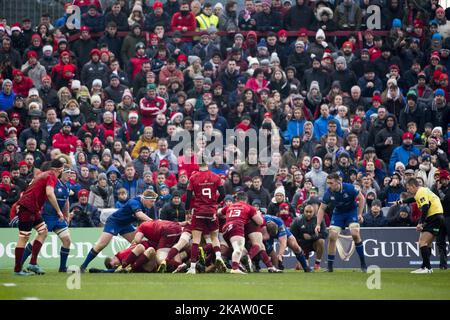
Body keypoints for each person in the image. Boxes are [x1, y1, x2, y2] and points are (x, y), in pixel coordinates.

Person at [80, 190, 157, 271]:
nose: (153, 204)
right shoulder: (134, 202)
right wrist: (154, 222)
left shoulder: (145, 206)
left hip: (126, 224)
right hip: (114, 222)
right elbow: (139, 214)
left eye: (154, 201)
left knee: (137, 244)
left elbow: (141, 223)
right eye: (151, 201)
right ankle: (83, 266)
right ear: (145, 199)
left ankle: (130, 266)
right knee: (101, 245)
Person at [12, 159, 65, 275]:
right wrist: (59, 211)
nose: (63, 171)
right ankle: (17, 269)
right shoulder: (52, 176)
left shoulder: (43, 174)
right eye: (63, 169)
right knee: (24, 237)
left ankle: (33, 264)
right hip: (27, 207)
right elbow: (50, 193)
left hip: (32, 208)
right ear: (58, 169)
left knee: (43, 231)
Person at [20, 166, 72, 272]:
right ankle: (20, 263)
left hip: (58, 218)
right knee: (37, 240)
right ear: (62, 173)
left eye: (71, 173)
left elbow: (66, 201)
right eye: (67, 172)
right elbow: (46, 195)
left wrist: (66, 215)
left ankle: (62, 268)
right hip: (47, 216)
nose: (70, 175)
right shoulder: (52, 182)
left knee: (67, 240)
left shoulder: (67, 186)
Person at [315, 173, 367, 272]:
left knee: (355, 234)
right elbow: (322, 208)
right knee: (332, 236)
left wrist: (360, 214)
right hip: (338, 213)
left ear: (338, 182)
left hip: (351, 212)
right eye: (328, 183)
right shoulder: (328, 193)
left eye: (331, 183)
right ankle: (330, 267)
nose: (329, 185)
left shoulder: (350, 188)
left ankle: (363, 264)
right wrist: (317, 224)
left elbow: (362, 198)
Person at [393, 178, 444, 273]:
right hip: (437, 217)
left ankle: (427, 268)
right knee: (426, 244)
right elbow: (413, 199)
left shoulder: (421, 192)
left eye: (408, 188)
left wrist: (420, 223)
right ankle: (425, 266)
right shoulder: (422, 191)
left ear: (413, 186)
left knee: (422, 243)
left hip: (434, 217)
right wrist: (400, 202)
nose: (408, 190)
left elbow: (425, 207)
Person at [184, 160, 227, 274]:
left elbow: (188, 197)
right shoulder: (216, 177)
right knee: (214, 237)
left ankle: (192, 267)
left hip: (198, 211)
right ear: (207, 163)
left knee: (196, 239)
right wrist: (215, 203)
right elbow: (223, 194)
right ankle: (218, 256)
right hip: (211, 211)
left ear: (198, 164)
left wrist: (187, 210)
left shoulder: (193, 178)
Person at [220, 191, 264, 274]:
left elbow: (219, 213)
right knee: (238, 249)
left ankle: (238, 264)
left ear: (236, 199)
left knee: (242, 251)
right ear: (246, 199)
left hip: (225, 229)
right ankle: (235, 268)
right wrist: (258, 214)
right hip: (237, 227)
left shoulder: (230, 206)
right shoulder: (249, 207)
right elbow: (260, 222)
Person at [290, 203, 328, 270]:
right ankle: (301, 261)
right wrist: (299, 244)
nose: (308, 214)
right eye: (307, 212)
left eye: (310, 212)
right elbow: (291, 235)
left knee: (321, 241)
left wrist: (311, 237)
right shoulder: (297, 220)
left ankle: (317, 264)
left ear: (314, 212)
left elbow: (325, 234)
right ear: (304, 211)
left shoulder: (319, 220)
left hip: (314, 243)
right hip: (302, 245)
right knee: (301, 268)